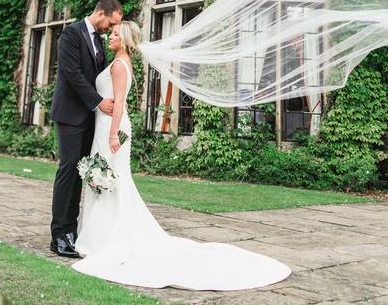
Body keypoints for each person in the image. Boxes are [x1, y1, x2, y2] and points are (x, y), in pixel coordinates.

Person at [72, 21, 292, 290]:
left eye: (116, 34)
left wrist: (112, 134)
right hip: (107, 126)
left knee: (110, 182)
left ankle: (104, 239)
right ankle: (99, 235)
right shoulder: (121, 61)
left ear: (126, 39)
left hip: (112, 128)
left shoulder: (119, 65)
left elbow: (119, 102)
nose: (110, 37)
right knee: (110, 182)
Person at [49, 0, 122, 258]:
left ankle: (71, 231)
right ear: (101, 13)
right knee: (68, 170)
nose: (110, 29)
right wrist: (99, 102)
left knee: (81, 172)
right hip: (70, 114)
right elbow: (73, 74)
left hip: (90, 118)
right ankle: (58, 234)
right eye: (111, 23)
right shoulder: (71, 34)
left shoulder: (98, 42)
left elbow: (97, 77)